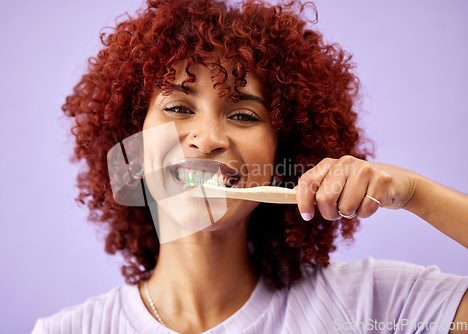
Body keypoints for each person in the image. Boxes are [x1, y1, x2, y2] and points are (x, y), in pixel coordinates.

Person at [32, 0, 468, 333]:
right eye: (179, 108)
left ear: (285, 154)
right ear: (133, 142)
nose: (208, 138)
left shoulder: (370, 308)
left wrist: (414, 193)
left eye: (243, 115)